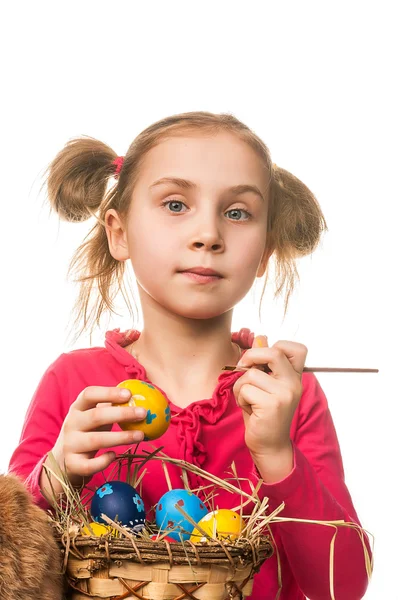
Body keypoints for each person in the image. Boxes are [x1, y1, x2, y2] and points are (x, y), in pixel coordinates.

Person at [8, 111, 371, 599]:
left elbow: (342, 586)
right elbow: (13, 572)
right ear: (119, 232)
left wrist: (277, 455)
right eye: (176, 204)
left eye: (238, 212)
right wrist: (52, 479)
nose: (209, 235)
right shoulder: (77, 384)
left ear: (265, 250)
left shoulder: (286, 393)